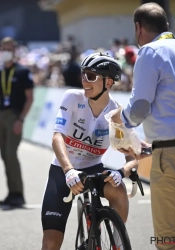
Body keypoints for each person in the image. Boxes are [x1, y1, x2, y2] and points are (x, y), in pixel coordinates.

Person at [110, 3, 175, 250]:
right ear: (166, 25)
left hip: (173, 154)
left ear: (138, 28)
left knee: (172, 239)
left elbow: (140, 107)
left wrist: (118, 118)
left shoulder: (150, 52)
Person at [41, 53, 138, 250]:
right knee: (51, 243)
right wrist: (68, 171)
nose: (85, 80)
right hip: (63, 170)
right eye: (84, 75)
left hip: (93, 169)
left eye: (91, 77)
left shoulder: (116, 113)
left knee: (118, 191)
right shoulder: (72, 98)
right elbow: (57, 137)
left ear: (108, 82)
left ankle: (116, 245)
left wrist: (121, 172)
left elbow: (134, 156)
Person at [0, 37, 34, 207]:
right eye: (3, 49)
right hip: (1, 114)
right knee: (4, 155)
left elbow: (30, 98)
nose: (5, 52)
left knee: (11, 154)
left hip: (15, 116)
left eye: (8, 49)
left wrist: (21, 119)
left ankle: (18, 193)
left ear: (15, 51)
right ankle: (11, 192)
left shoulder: (22, 72)